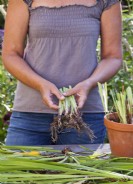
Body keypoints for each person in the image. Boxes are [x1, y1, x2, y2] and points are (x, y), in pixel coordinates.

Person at [2, 0, 122, 146]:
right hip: (30, 115)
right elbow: (11, 54)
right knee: (18, 169)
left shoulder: (107, 2)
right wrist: (41, 84)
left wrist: (88, 84)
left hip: (84, 116)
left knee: (80, 169)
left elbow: (112, 57)